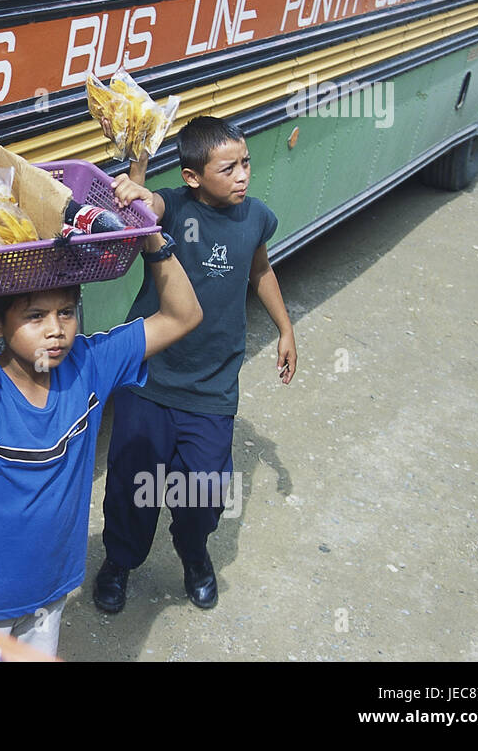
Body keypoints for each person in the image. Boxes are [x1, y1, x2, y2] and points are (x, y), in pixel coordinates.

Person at [0, 212, 202, 655]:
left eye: (66, 312)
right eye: (35, 316)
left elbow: (183, 316)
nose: (56, 330)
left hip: (50, 594)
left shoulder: (89, 363)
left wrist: (152, 239)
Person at [94, 115, 297, 615]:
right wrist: (134, 183)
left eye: (245, 163)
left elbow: (261, 269)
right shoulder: (172, 206)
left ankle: (194, 555)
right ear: (192, 176)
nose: (243, 176)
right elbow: (146, 204)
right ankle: (119, 561)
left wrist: (286, 328)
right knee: (130, 486)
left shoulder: (255, 218)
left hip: (212, 388)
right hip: (148, 381)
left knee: (203, 493)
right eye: (228, 169)